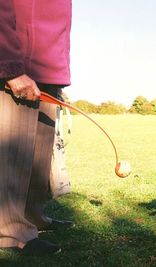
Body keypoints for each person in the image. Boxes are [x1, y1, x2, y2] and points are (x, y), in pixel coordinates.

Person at [0, 0, 74, 255]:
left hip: (47, 70)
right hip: (19, 66)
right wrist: (9, 67)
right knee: (14, 155)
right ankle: (11, 231)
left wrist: (57, 76)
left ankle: (32, 216)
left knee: (38, 160)